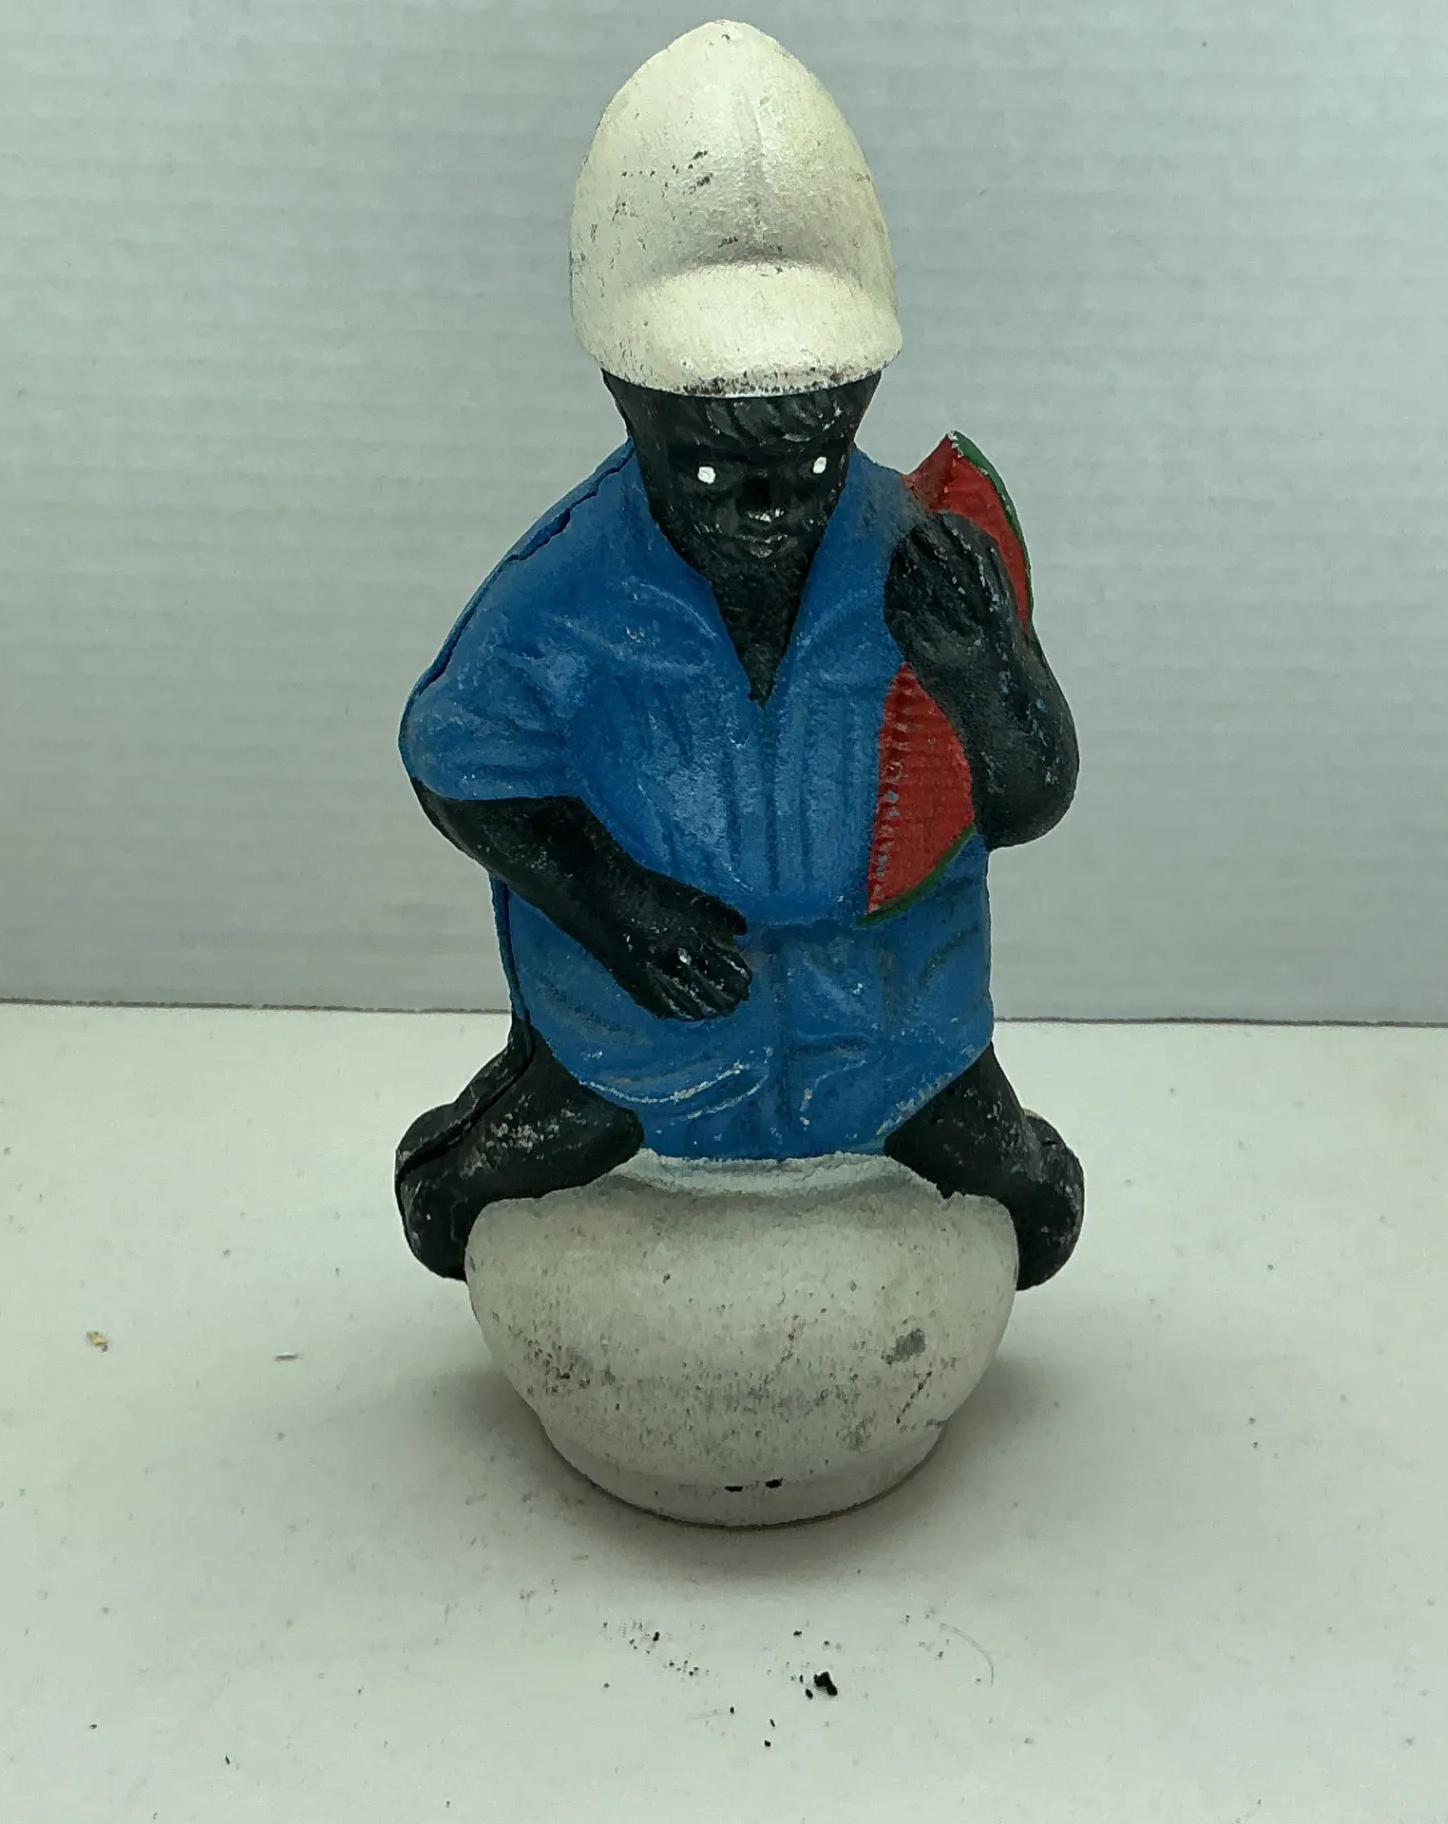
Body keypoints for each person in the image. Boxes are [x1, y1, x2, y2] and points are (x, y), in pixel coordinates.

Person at [395, 21, 1082, 1290]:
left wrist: (988, 673)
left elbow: (1028, 802)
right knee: (453, 1211)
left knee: (1035, 1212)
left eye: (810, 461)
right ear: (630, 402)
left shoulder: (921, 563)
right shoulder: (571, 593)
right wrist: (618, 908)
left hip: (887, 1011)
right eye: (714, 469)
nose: (768, 507)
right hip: (647, 1024)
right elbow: (458, 761)